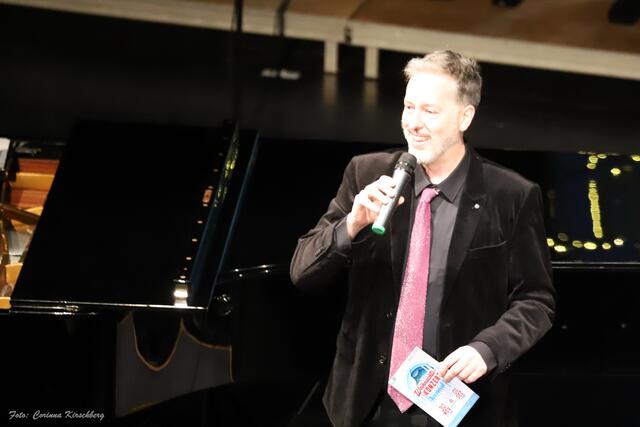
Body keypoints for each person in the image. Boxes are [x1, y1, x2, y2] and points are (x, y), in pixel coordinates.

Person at [290, 50, 555, 427]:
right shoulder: (366, 173)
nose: (413, 123)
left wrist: (487, 350)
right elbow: (302, 272)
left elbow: (536, 300)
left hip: (453, 405)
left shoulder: (510, 195)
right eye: (408, 107)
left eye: (430, 111)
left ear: (465, 117)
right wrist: (351, 224)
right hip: (366, 403)